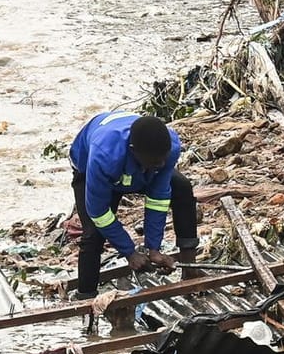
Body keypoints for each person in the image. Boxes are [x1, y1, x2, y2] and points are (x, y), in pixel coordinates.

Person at [69, 111, 199, 298]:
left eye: (163, 160)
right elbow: (98, 212)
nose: (161, 165)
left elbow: (158, 198)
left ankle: (190, 271)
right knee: (93, 234)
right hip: (91, 168)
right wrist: (129, 252)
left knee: (182, 188)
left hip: (138, 169)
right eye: (156, 162)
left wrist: (153, 248)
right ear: (133, 150)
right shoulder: (103, 156)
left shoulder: (168, 150)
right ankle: (86, 299)